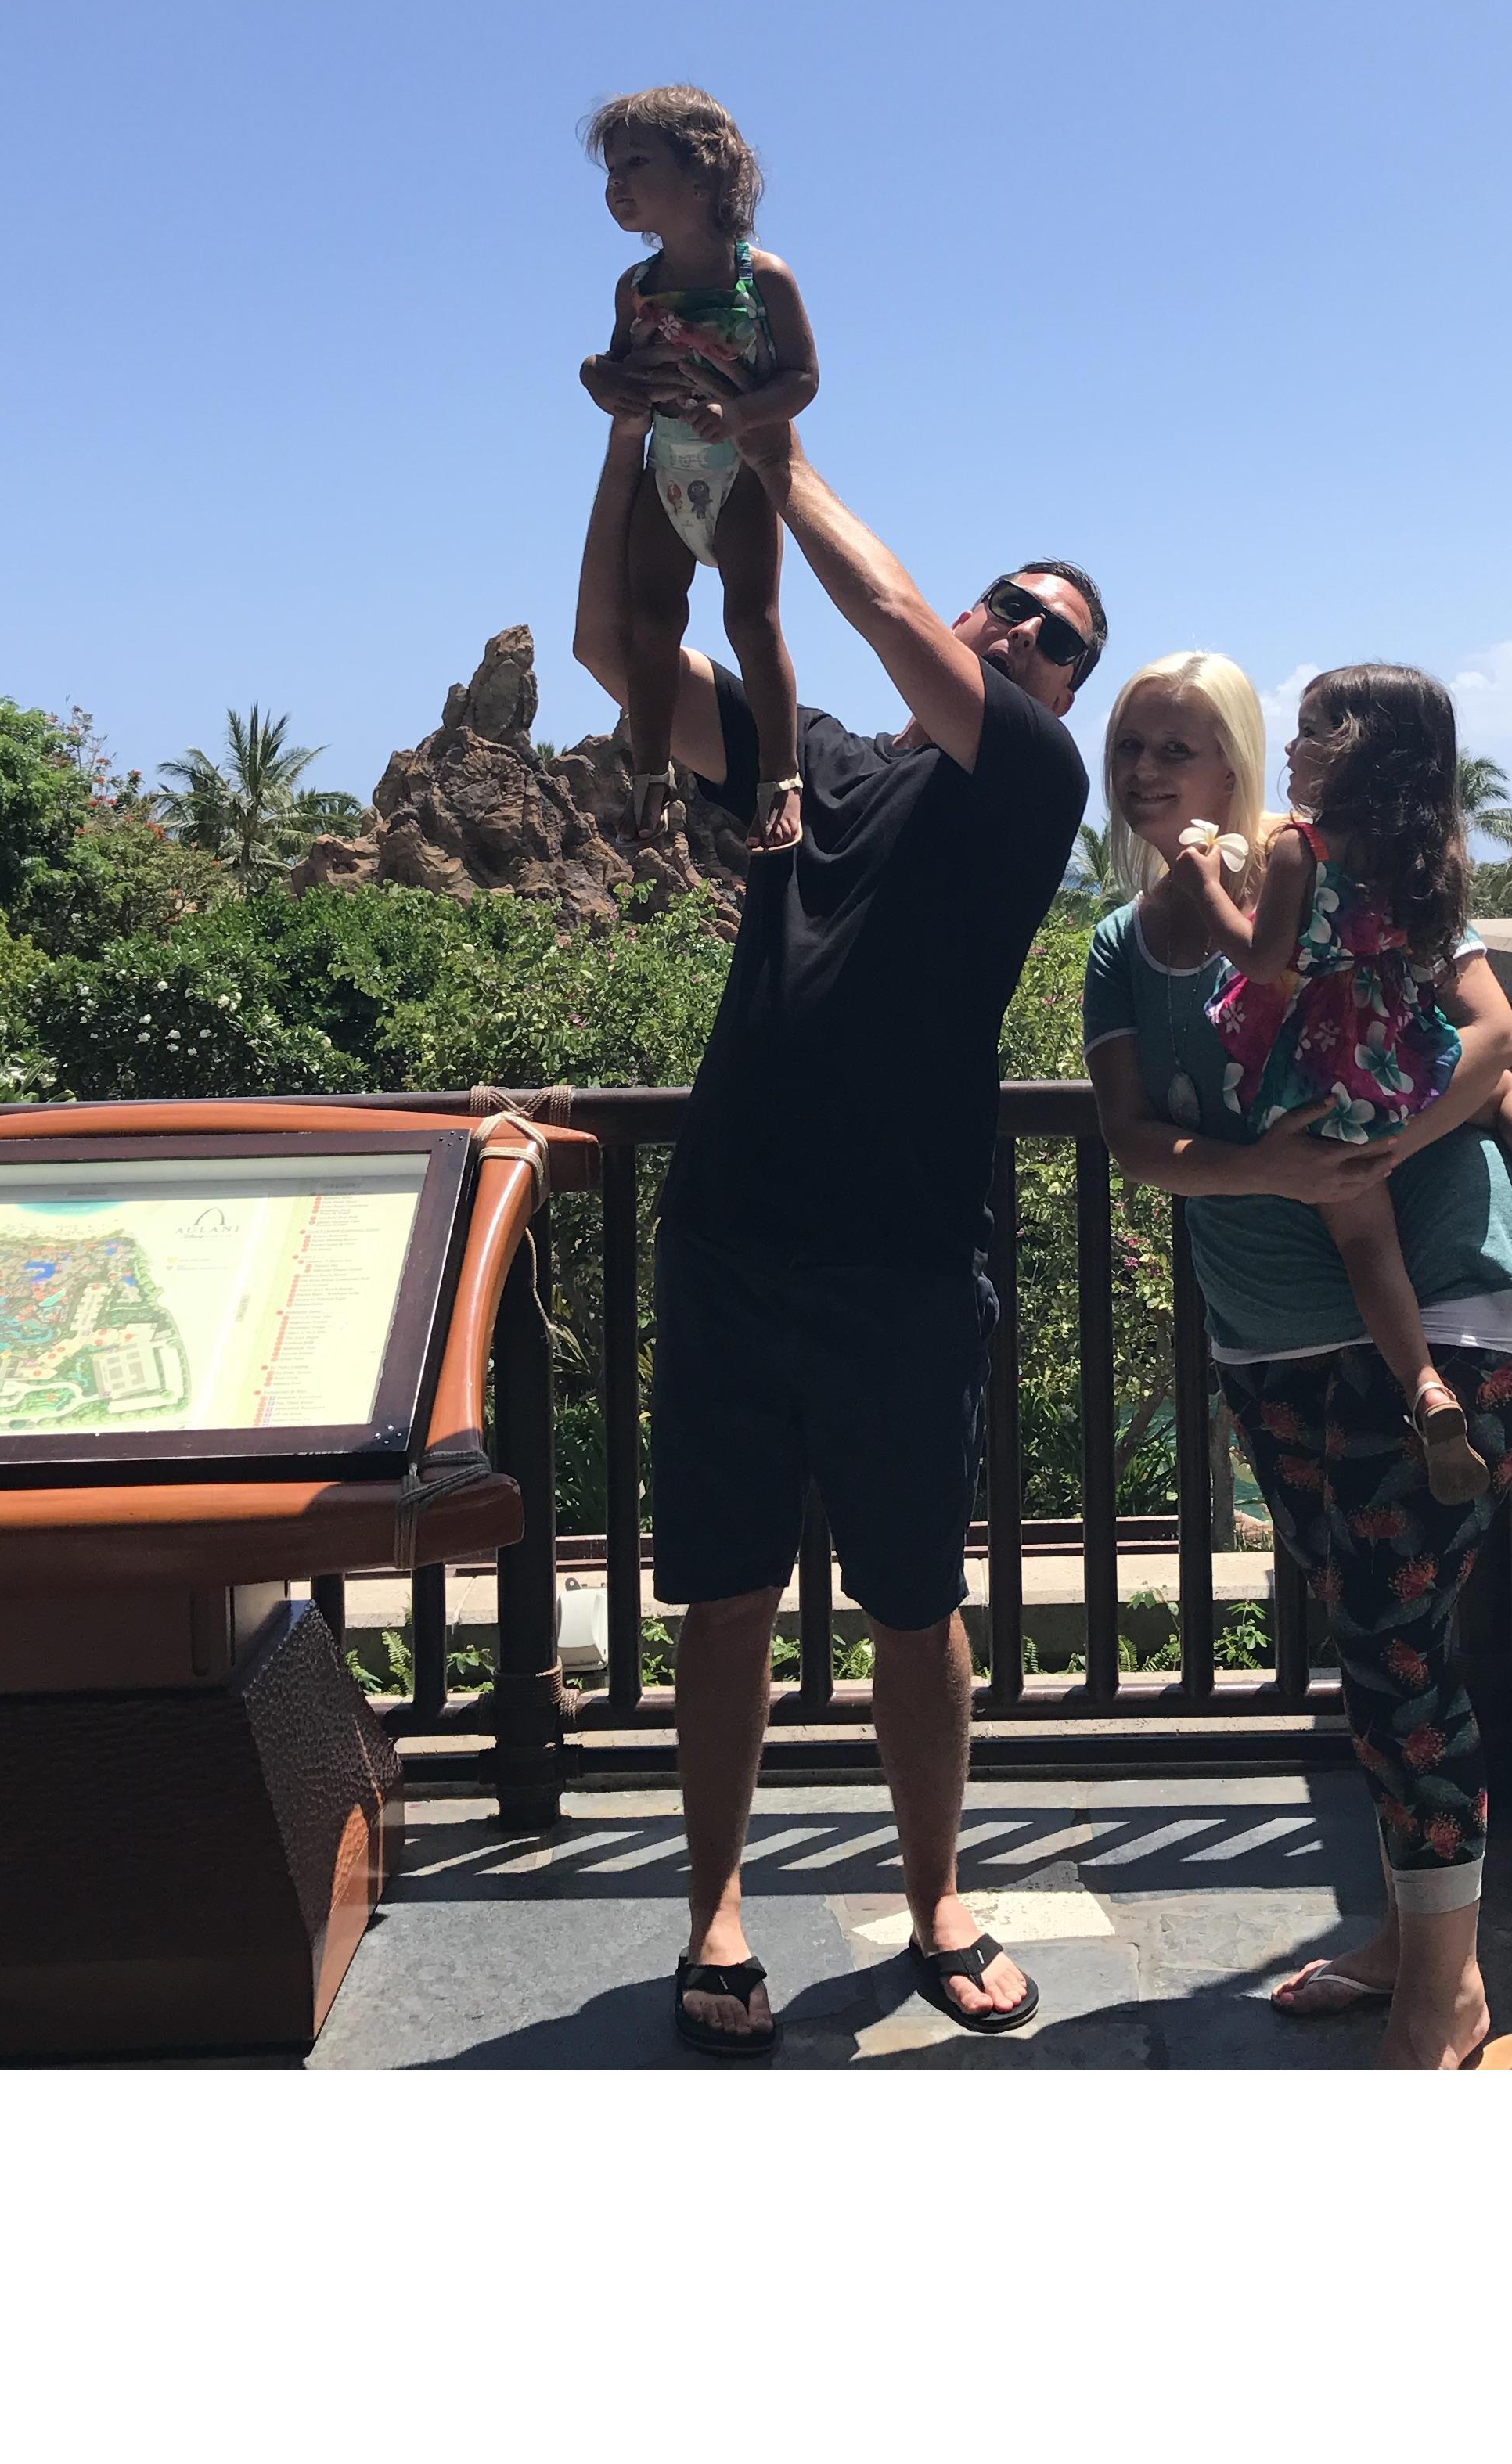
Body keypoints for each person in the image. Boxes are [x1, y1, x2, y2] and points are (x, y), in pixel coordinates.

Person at [571, 352, 1100, 2061]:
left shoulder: (1030, 792)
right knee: (720, 1596)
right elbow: (619, 659)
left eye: (1057, 638)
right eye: (1011, 606)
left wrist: (767, 452)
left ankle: (937, 1895)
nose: (1023, 633)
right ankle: (716, 1905)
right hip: (730, 1236)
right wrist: (634, 446)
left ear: (1066, 695)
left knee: (913, 1604)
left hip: (904, 1256)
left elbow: (886, 618)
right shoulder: (817, 759)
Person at [1082, 649, 1512, 2070]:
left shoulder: (1352, 879)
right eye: (1128, 748)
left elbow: (1491, 1037)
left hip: (1456, 1303)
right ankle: (1410, 1945)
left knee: (1395, 1645)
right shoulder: (1118, 946)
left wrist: (1388, 1148)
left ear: (1244, 762)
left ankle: (1449, 1997)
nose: (1145, 772)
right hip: (1274, 1338)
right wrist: (1274, 1171)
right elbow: (1132, 1142)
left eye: (1178, 744)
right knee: (1377, 1647)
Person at [1151, 664, 1512, 1507]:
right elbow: (1476, 1012)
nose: (1290, 748)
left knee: (1366, 1242)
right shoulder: (1422, 854)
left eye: (1309, 731)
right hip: (1404, 1045)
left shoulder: (1303, 846)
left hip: (1330, 1062)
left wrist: (1205, 885)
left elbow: (1265, 960)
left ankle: (1426, 1391)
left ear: (1354, 751)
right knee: (1504, 1092)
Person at [585, 86, 821, 859]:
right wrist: (596, 376)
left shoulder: (762, 281)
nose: (617, 181)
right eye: (610, 168)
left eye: (636, 163)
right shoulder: (637, 288)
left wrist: (742, 417)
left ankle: (779, 778)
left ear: (705, 175)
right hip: (667, 470)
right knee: (651, 625)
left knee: (751, 619)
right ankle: (651, 775)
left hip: (743, 472)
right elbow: (619, 373)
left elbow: (804, 381)